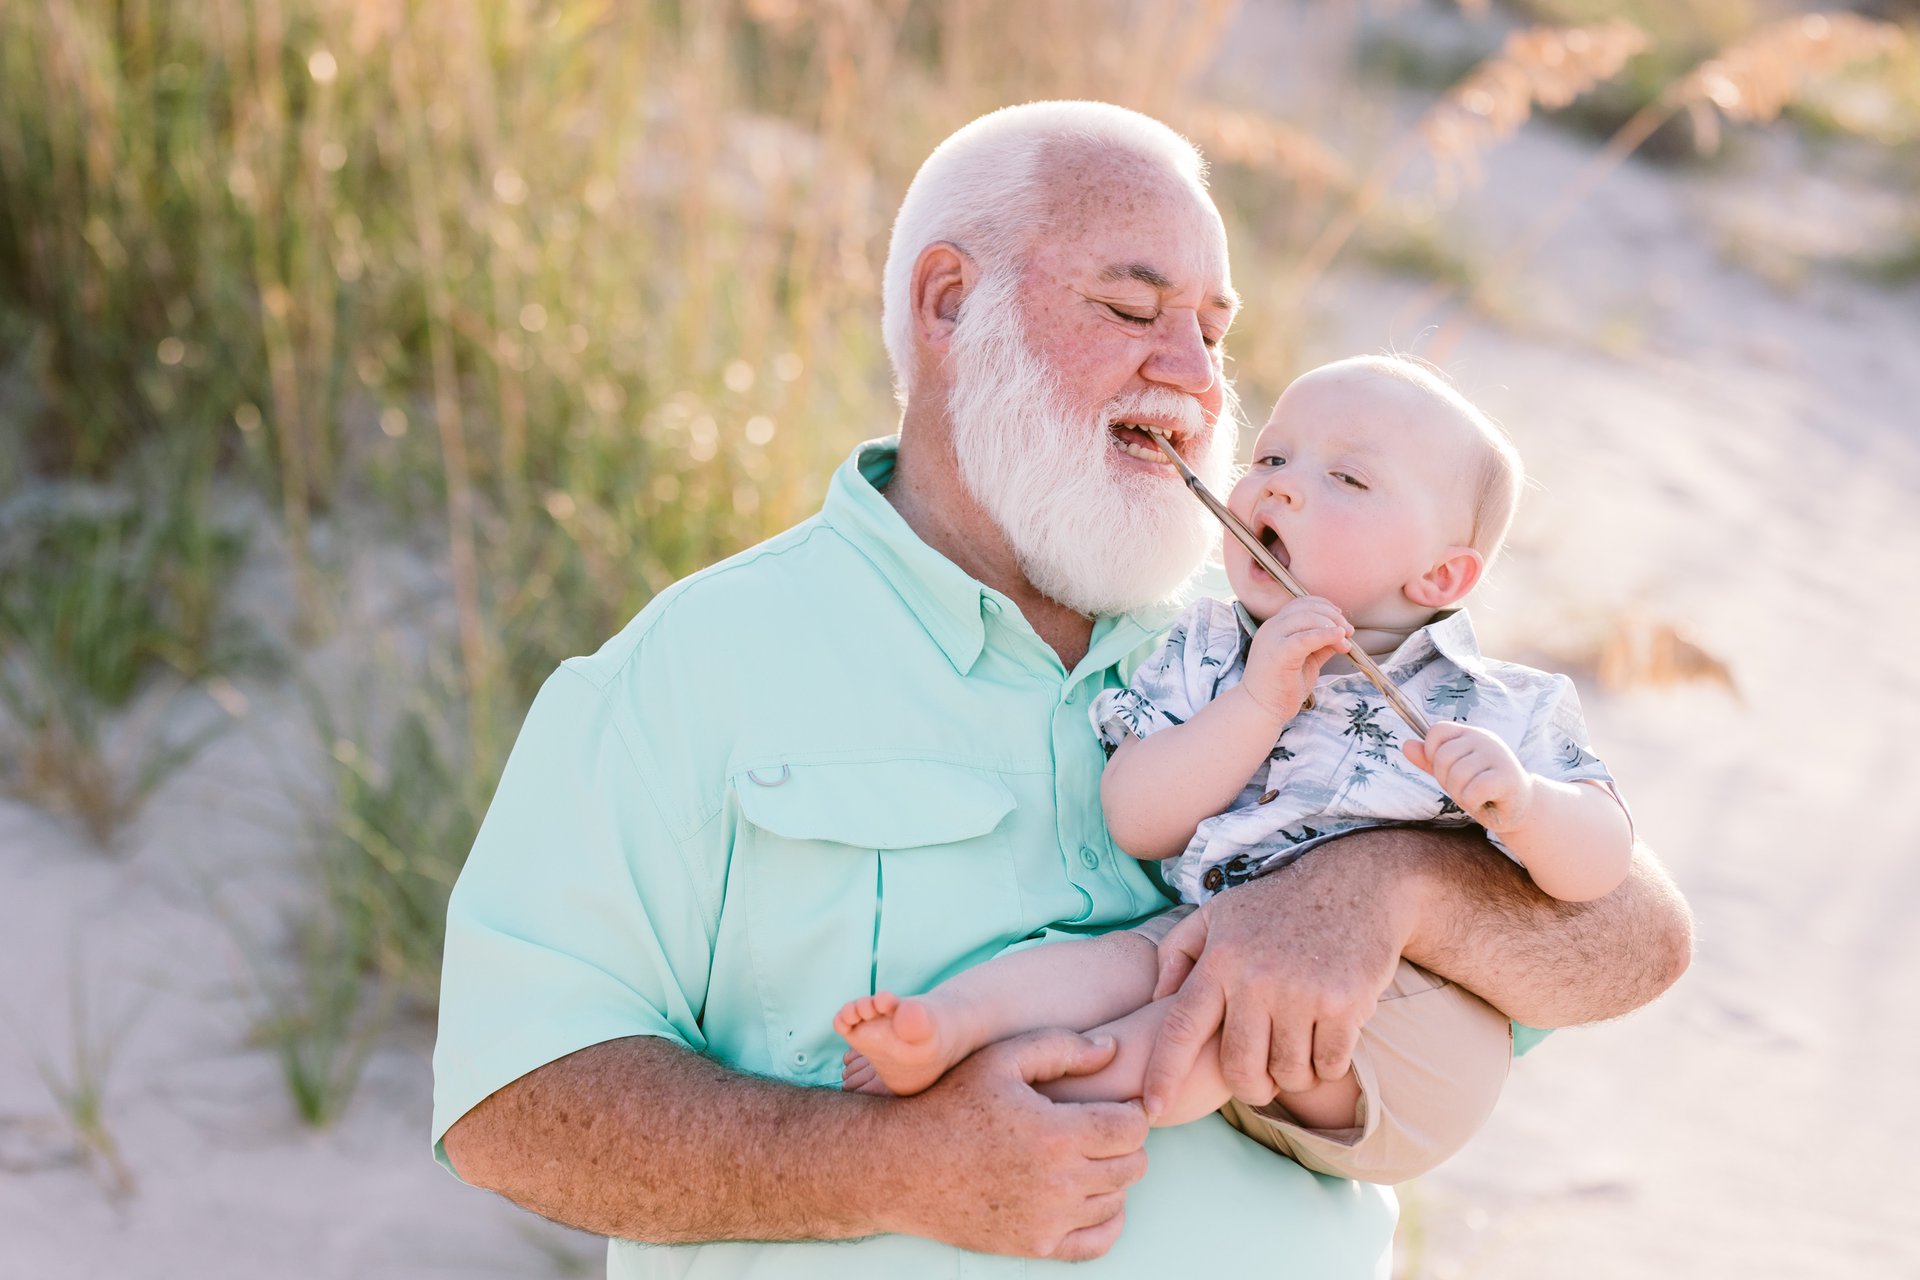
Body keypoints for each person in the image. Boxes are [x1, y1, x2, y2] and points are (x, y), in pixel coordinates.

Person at [431, 101, 1692, 1277]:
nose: (1195, 374)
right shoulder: (695, 665)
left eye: (1213, 328)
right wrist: (897, 1167)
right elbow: (514, 1099)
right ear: (948, 303)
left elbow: (1635, 947)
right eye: (1132, 308)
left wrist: (1380, 882)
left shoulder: (1273, 636)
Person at [835, 354, 1635, 1141]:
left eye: (1347, 480)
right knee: (1112, 963)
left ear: (1440, 578)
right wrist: (1255, 702)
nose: (1279, 484)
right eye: (1272, 458)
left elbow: (1602, 866)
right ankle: (948, 1023)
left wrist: (1529, 808)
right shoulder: (1213, 649)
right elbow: (1137, 819)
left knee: (1193, 1043)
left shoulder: (1500, 704)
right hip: (1205, 932)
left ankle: (1030, 1089)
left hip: (1386, 1010)